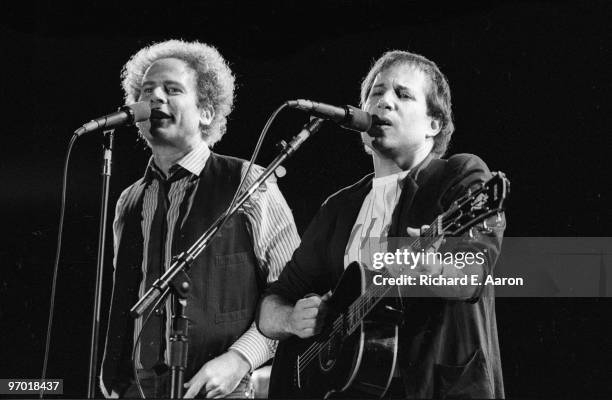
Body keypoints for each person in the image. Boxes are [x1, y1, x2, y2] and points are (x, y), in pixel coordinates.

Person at [258, 50, 505, 398]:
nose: (384, 102)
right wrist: (290, 318)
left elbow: (471, 276)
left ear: (435, 124)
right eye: (376, 93)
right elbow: (271, 304)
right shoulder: (339, 207)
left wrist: (429, 266)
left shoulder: (460, 176)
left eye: (403, 95)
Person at [100, 39, 300, 398]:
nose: (155, 98)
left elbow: (292, 294)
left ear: (206, 111)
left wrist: (240, 359)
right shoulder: (128, 201)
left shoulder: (249, 182)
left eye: (171, 89)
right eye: (146, 91)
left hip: (221, 390)